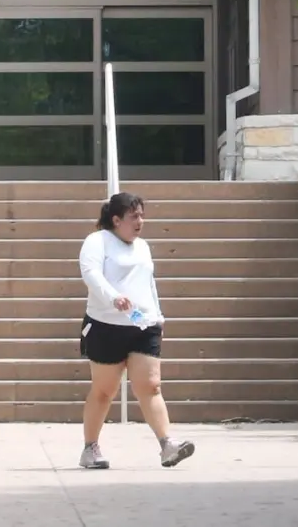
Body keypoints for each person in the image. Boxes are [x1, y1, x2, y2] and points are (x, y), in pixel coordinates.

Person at [77, 192, 196, 470]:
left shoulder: (143, 246)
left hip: (143, 326)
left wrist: (158, 315)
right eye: (134, 216)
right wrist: (113, 297)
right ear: (117, 220)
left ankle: (168, 445)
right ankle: (90, 448)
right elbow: (90, 273)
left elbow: (148, 281)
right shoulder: (97, 241)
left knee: (151, 386)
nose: (140, 221)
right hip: (106, 326)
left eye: (142, 215)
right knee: (104, 391)